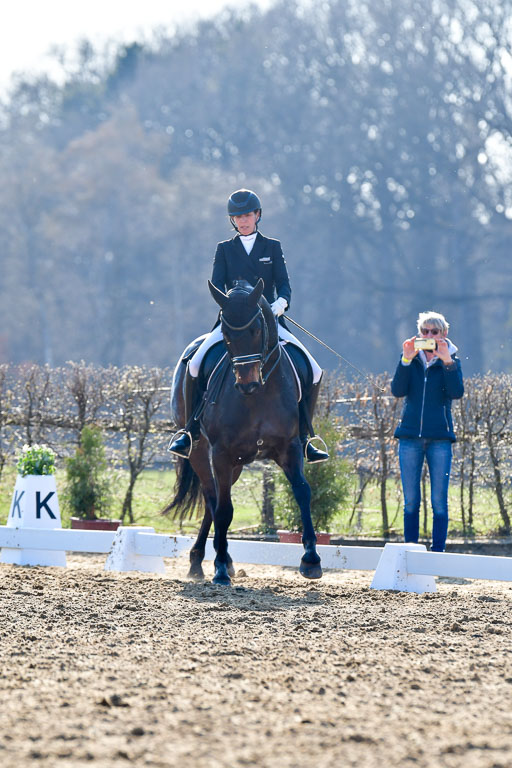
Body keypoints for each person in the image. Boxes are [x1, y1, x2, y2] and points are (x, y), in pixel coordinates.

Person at [169, 188, 329, 463]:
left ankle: (305, 438)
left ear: (257, 215)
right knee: (194, 364)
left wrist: (280, 305)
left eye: (247, 215)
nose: (243, 220)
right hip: (235, 323)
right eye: (237, 217)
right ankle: (189, 431)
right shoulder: (224, 249)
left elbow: (285, 285)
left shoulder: (272, 247)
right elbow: (217, 284)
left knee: (314, 370)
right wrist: (231, 304)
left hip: (270, 322)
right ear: (233, 220)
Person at [391, 311, 464, 552]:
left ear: (444, 334)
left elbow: (456, 392)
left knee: (439, 502)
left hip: (440, 440)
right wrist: (405, 359)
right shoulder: (411, 359)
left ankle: (438, 551)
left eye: (434, 332)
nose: (429, 336)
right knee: (411, 501)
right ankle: (411, 551)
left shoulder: (452, 361)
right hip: (410, 438)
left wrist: (447, 363)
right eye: (425, 331)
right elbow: (398, 390)